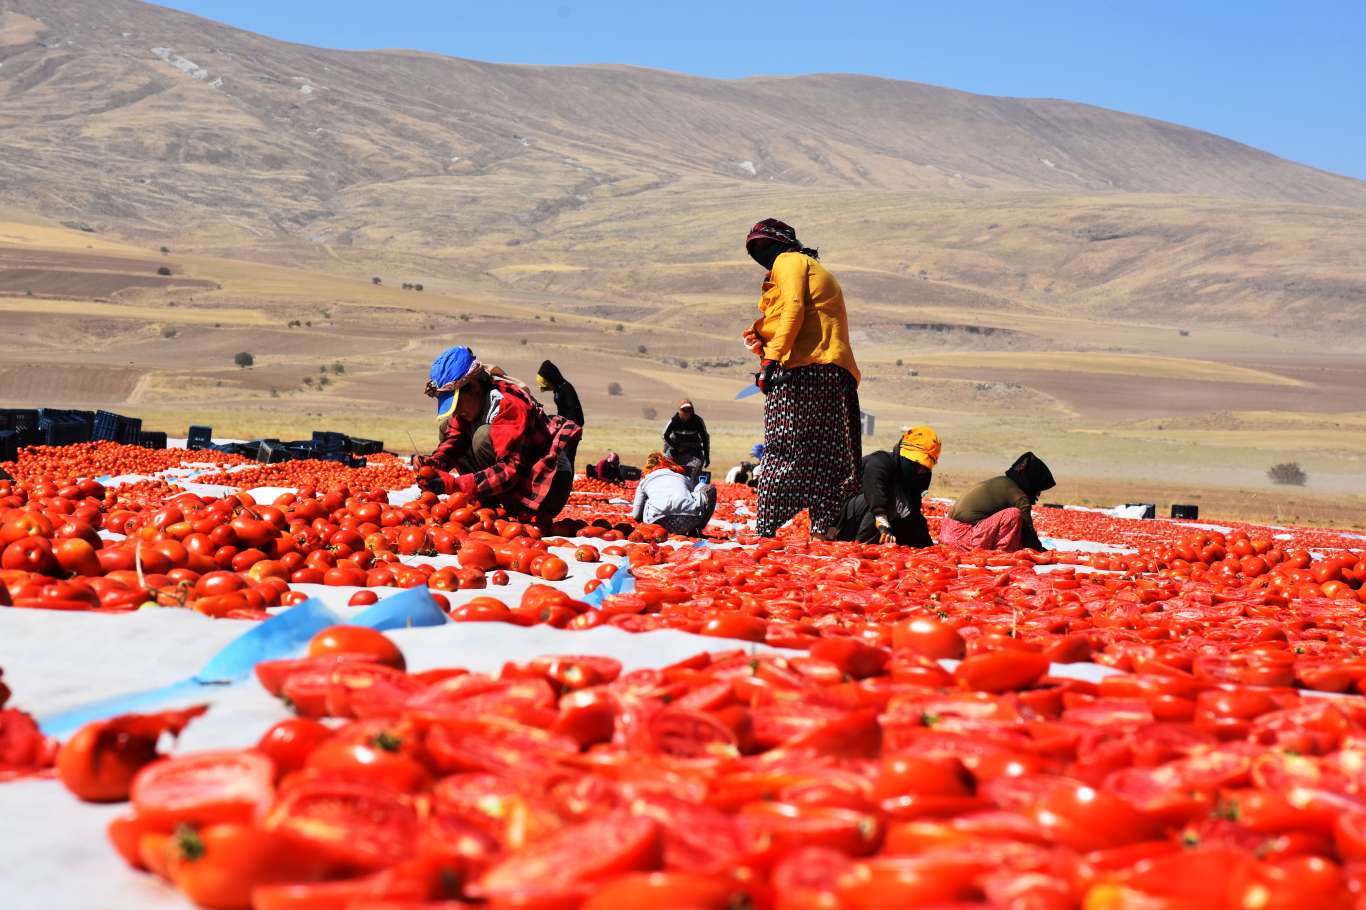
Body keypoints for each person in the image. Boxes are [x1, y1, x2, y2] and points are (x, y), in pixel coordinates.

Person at [742, 218, 862, 538]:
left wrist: (771, 359)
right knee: (830, 456)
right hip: (834, 373)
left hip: (804, 371)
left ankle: (766, 531)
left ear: (782, 243)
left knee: (784, 448)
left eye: (765, 246)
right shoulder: (810, 267)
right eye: (756, 250)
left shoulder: (789, 261)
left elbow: (793, 308)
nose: (762, 254)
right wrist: (763, 342)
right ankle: (824, 530)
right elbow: (792, 316)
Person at [414, 345, 581, 524]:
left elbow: (510, 469)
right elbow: (454, 441)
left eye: (458, 402)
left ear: (474, 386)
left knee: (482, 436)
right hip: (515, 479)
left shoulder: (508, 405)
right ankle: (489, 506)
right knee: (447, 427)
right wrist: (433, 465)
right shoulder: (471, 406)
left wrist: (457, 485)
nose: (456, 410)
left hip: (546, 486)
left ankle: (511, 508)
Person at [837, 425, 941, 546]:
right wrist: (881, 518)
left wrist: (928, 548)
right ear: (904, 455)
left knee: (913, 520)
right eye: (916, 465)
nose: (920, 471)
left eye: (924, 468)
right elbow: (874, 487)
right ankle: (864, 548)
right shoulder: (881, 461)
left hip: (881, 519)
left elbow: (913, 515)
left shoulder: (917, 479)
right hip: (844, 520)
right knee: (881, 500)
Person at [940, 451, 1056, 552]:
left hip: (946, 533)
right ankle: (1002, 553)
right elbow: (1028, 533)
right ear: (1031, 483)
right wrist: (1040, 551)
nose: (1038, 494)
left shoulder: (1002, 481)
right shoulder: (1019, 497)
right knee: (1013, 514)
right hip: (963, 539)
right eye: (1038, 489)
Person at [631, 452, 717, 536]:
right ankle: (697, 529)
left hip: (657, 525)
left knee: (646, 499)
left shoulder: (645, 481)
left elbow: (636, 515)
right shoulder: (683, 477)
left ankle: (648, 532)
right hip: (690, 520)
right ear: (669, 464)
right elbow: (692, 494)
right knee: (709, 489)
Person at [536, 360, 584, 469]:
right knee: (561, 458)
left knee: (568, 457)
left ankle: (568, 479)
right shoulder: (558, 390)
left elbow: (573, 411)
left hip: (573, 430)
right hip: (565, 428)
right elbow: (563, 411)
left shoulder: (566, 389)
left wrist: (564, 424)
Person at [662, 400, 709, 478]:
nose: (686, 412)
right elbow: (665, 436)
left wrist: (706, 456)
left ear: (692, 411)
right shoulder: (674, 420)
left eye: (688, 410)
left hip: (694, 450)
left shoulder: (698, 421)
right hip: (676, 450)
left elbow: (705, 438)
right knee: (665, 463)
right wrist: (676, 447)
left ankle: (692, 482)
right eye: (683, 410)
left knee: (697, 465)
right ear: (679, 410)